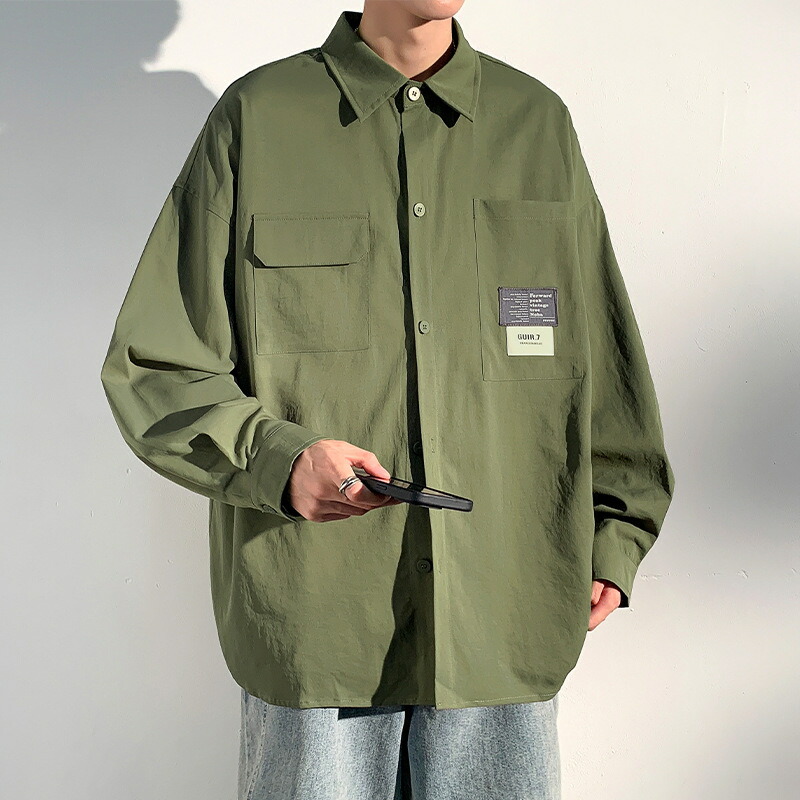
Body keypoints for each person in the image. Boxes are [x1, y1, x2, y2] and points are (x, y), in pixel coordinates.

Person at [100, 2, 676, 798]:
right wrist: (280, 459)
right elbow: (157, 364)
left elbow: (598, 351)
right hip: (318, 618)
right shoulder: (259, 119)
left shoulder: (536, 124)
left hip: (503, 609)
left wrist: (616, 533)